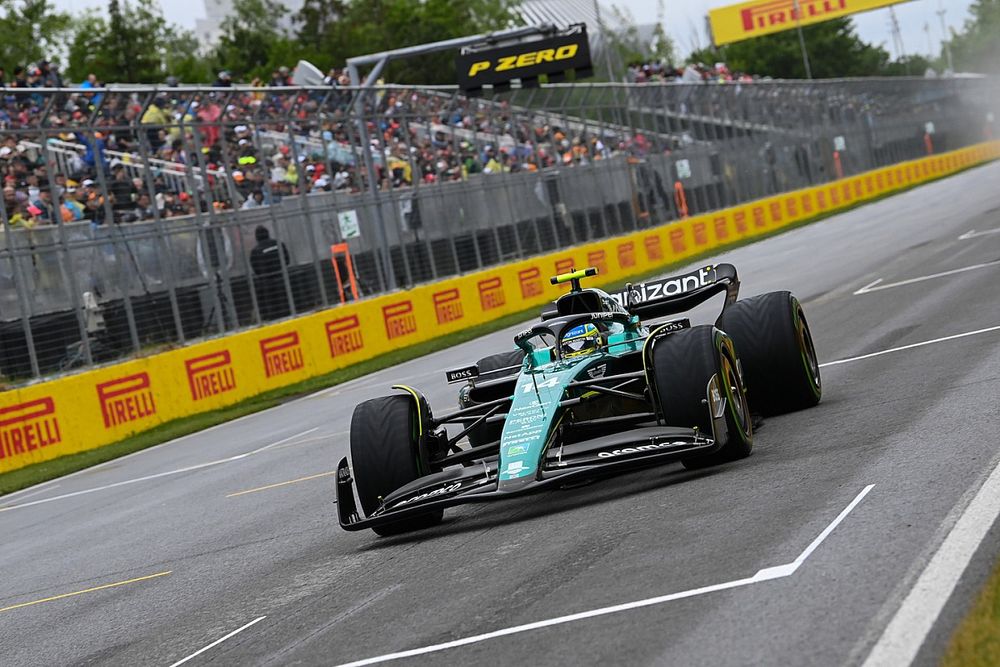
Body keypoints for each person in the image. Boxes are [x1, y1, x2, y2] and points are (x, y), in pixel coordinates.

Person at [250, 225, 290, 321]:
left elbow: (255, 268)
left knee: (271, 304)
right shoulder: (279, 244)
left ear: (257, 237)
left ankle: (274, 319)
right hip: (281, 276)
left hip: (266, 281)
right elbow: (287, 260)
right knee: (285, 300)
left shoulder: (255, 251)